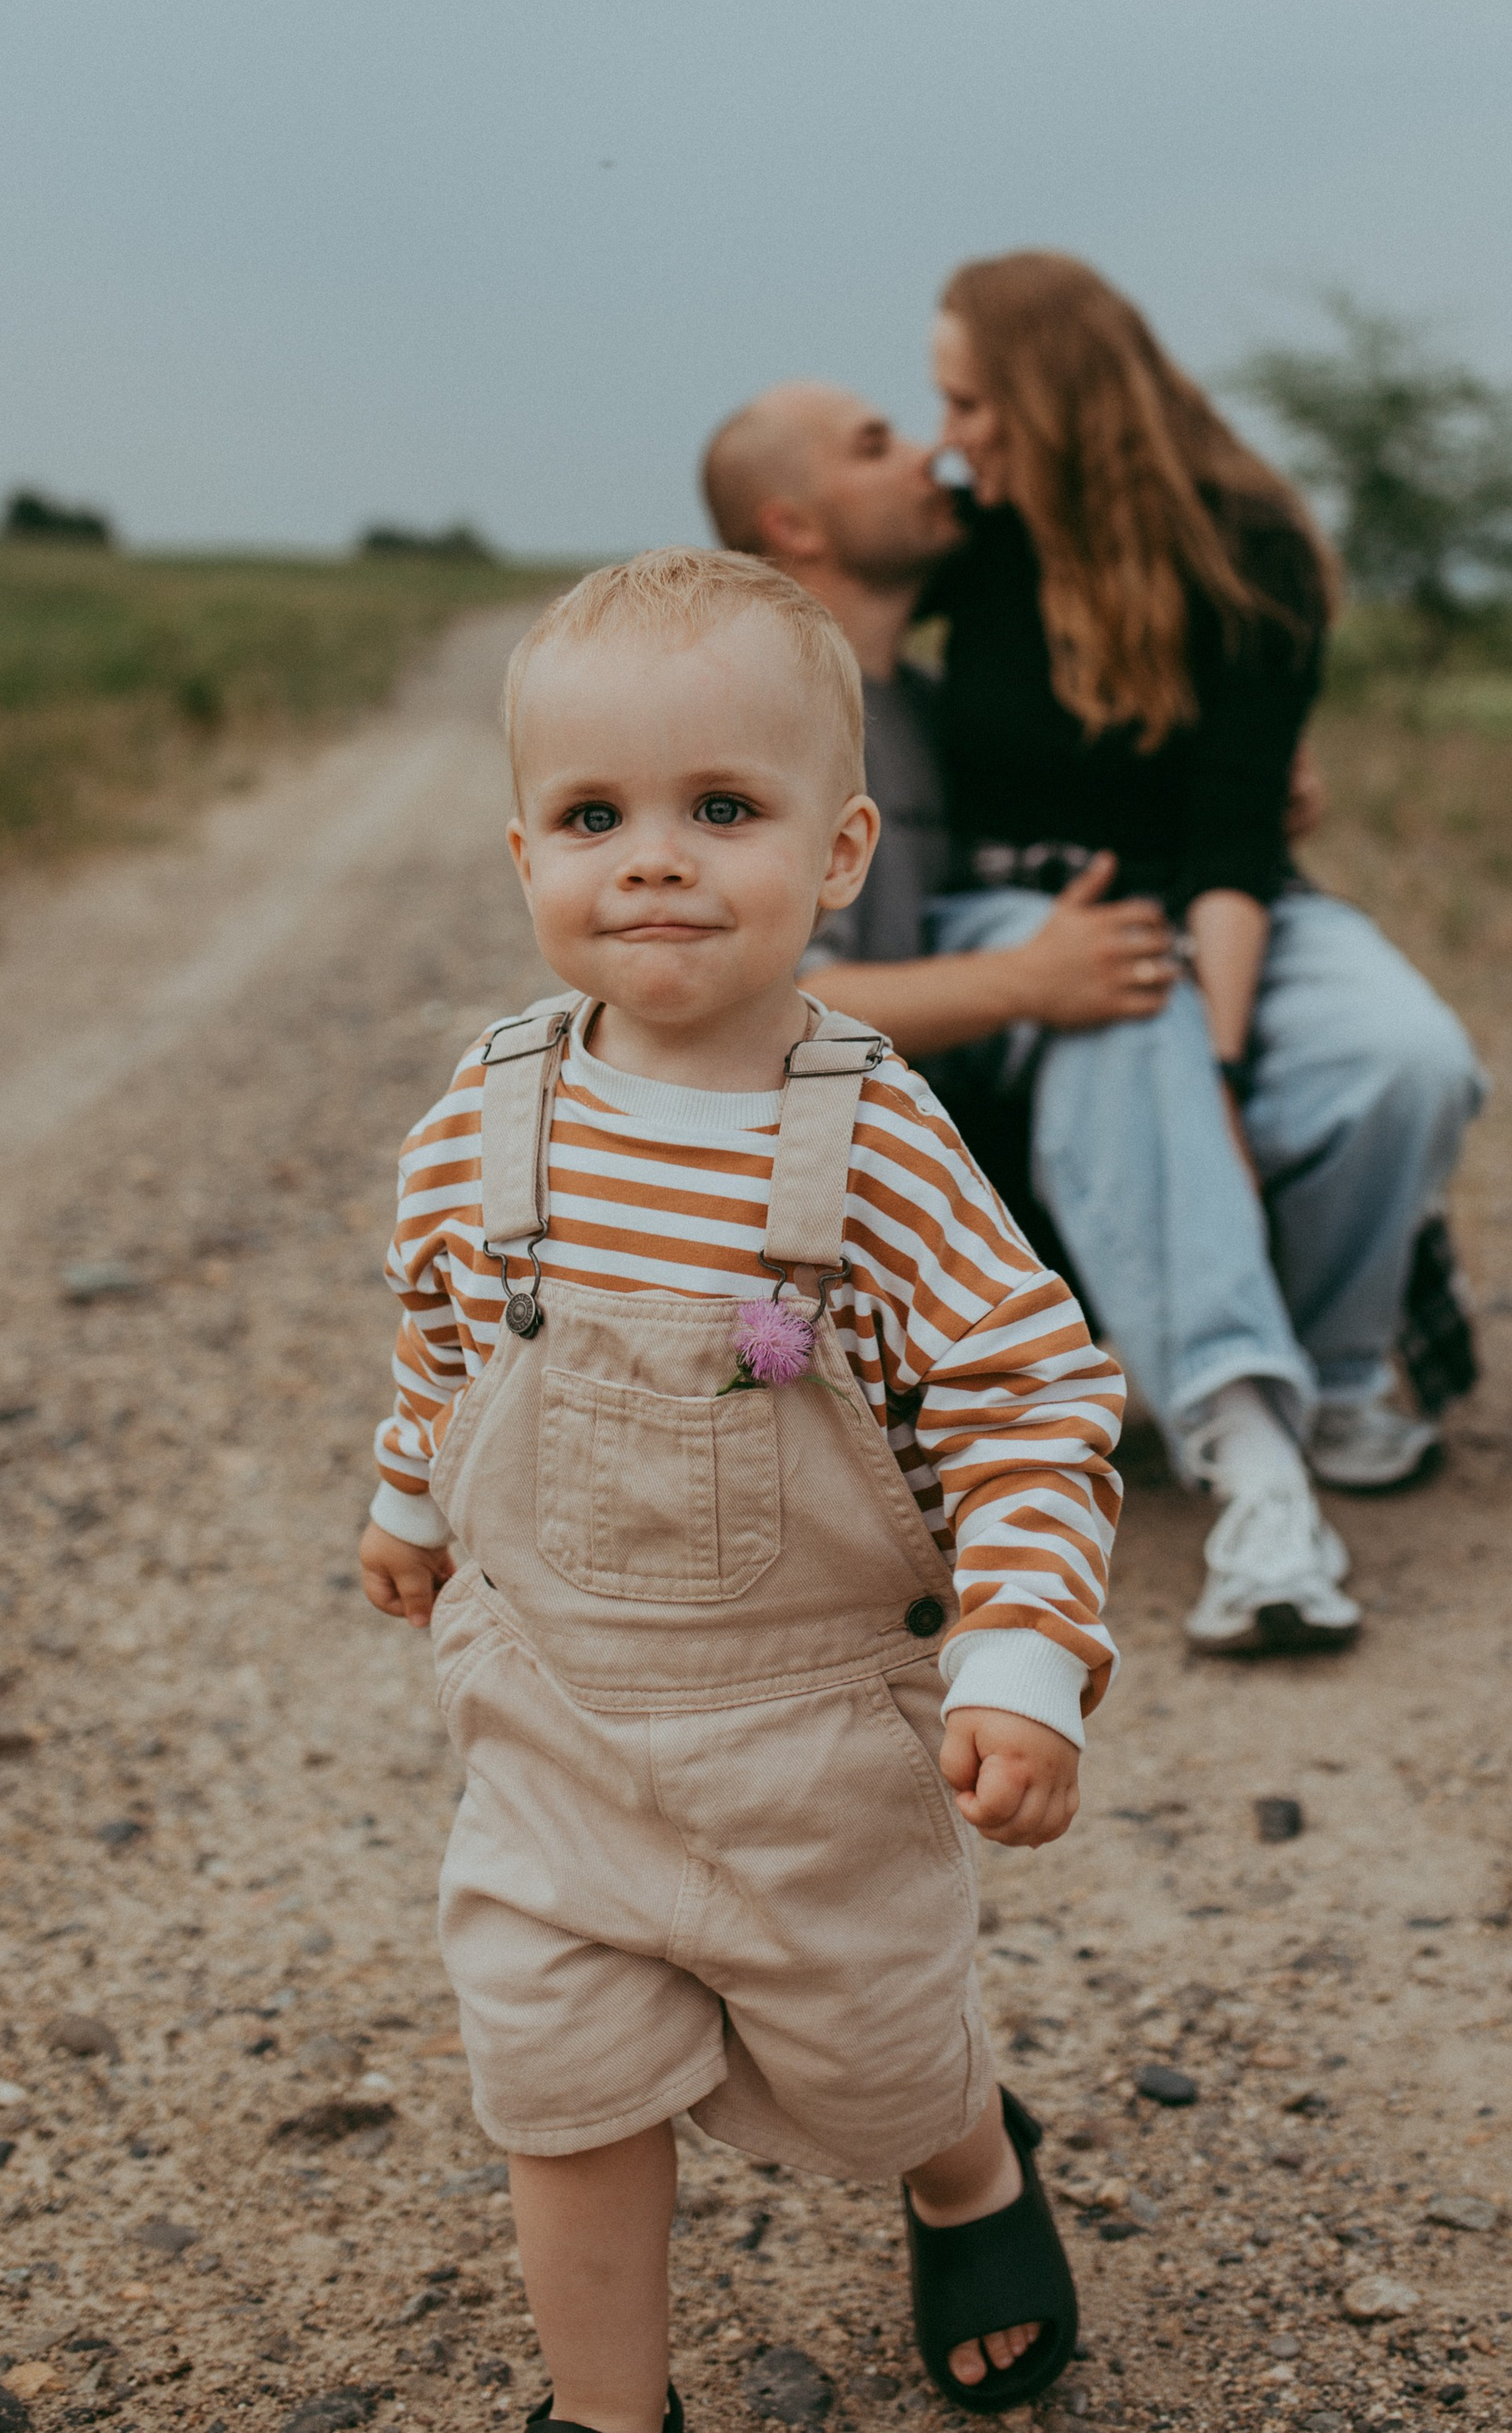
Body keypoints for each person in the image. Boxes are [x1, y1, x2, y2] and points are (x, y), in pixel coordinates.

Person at [357, 550, 1118, 2431]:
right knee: (558, 2076)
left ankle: (961, 2164)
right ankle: (613, 2414)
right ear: (521, 852)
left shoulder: (868, 1141)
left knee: (867, 2066)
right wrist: (410, 1499)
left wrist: (1021, 1648)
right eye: (593, 815)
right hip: (547, 1705)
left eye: (722, 810)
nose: (654, 860)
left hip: (812, 1741)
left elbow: (1030, 1392)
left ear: (840, 849)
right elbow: (444, 1332)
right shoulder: (490, 1102)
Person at [702, 269, 1484, 1660]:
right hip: (1022, 935)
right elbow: (797, 584)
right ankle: (1254, 1452)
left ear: (1050, 402)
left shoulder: (1223, 551)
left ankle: (1338, 1367)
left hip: (1207, 903)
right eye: (907, 425)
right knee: (1117, 988)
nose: (944, 444)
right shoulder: (903, 600)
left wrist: (1229, 1045)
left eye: (960, 403)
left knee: (1403, 1057)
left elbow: (1233, 825)